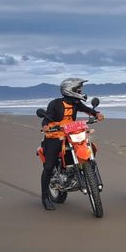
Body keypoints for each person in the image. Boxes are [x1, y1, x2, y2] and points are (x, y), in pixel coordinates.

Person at [40, 77, 104, 210]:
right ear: (70, 90)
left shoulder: (75, 102)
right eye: (78, 89)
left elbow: (87, 109)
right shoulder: (55, 104)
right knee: (49, 166)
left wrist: (96, 113)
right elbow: (46, 118)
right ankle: (45, 197)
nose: (80, 90)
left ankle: (87, 172)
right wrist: (46, 125)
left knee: (88, 146)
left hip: (71, 134)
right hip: (55, 136)